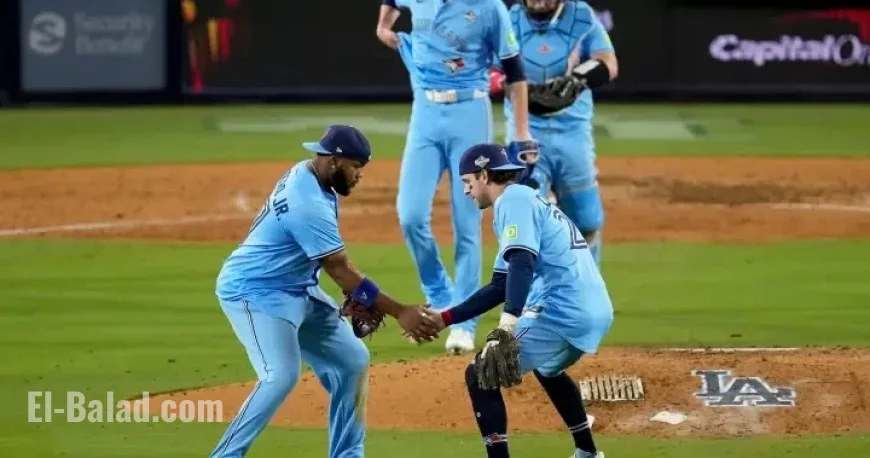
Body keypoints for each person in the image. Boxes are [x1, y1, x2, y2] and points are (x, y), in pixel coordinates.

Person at [209, 125, 439, 458]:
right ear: (334, 160)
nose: (360, 176)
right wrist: (400, 310)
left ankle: (347, 454)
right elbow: (339, 269)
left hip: (299, 288)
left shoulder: (311, 174)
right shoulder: (306, 203)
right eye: (356, 166)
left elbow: (335, 264)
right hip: (255, 292)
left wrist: (361, 293)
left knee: (352, 361)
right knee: (279, 376)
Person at [421, 143, 614, 458]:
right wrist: (446, 318)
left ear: (485, 175)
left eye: (468, 181)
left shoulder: (512, 200)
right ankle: (587, 452)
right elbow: (500, 285)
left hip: (563, 310)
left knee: (480, 373)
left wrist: (507, 326)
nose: (467, 191)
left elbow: (522, 263)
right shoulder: (524, 201)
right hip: (595, 309)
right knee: (548, 369)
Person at [375, 0, 540, 355]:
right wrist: (384, 27)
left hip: (469, 109)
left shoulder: (489, 7)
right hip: (425, 112)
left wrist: (522, 133)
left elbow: (515, 70)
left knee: (467, 223)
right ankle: (439, 295)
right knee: (410, 215)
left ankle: (462, 324)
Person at [490, 0, 618, 268]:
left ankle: (585, 294)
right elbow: (488, 70)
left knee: (587, 223)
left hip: (573, 133)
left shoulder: (581, 16)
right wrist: (508, 84)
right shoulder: (507, 20)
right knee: (529, 220)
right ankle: (534, 300)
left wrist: (575, 80)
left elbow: (608, 62)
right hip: (527, 133)